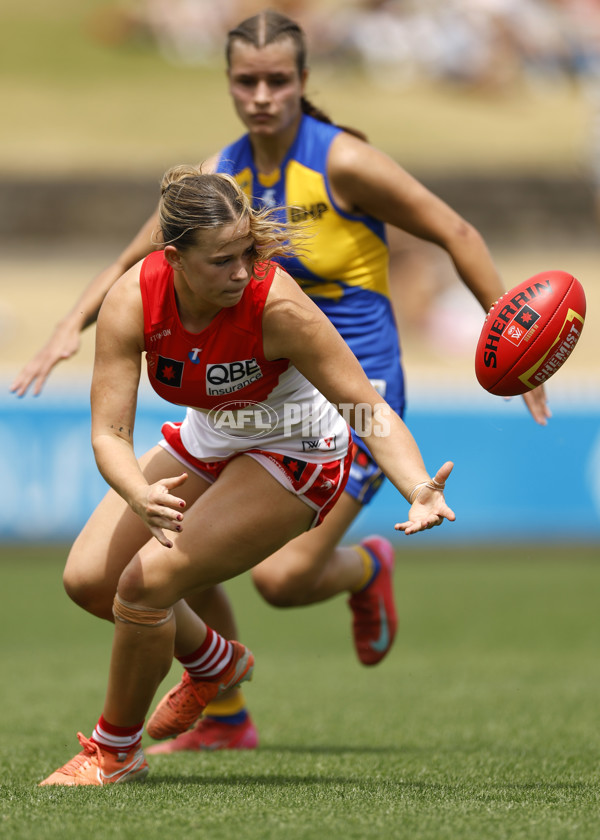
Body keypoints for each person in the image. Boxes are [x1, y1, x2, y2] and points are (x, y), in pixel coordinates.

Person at [12, 9, 549, 754]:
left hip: (344, 393)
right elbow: (135, 261)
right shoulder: (217, 180)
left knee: (283, 579)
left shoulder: (345, 164)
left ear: (303, 81)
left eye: (277, 79)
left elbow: (454, 231)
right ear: (228, 83)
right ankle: (225, 706)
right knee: (171, 549)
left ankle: (364, 570)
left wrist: (515, 344)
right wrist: (69, 328)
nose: (261, 94)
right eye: (246, 80)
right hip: (236, 395)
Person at [39, 165, 455, 785]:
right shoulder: (131, 297)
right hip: (210, 436)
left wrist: (418, 485)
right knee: (88, 582)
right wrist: (136, 490)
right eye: (221, 260)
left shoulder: (278, 303)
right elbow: (109, 434)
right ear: (173, 257)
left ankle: (112, 754)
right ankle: (215, 663)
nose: (241, 272)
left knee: (144, 587)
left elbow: (366, 408)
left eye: (248, 253)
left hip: (298, 450)